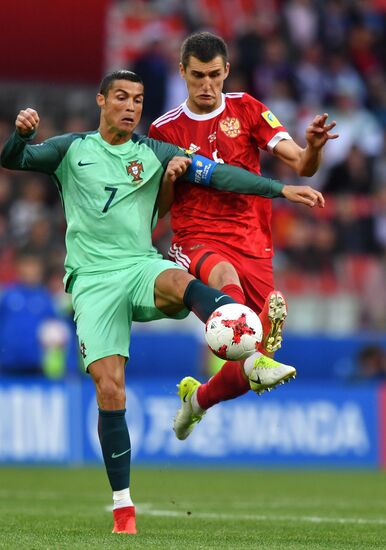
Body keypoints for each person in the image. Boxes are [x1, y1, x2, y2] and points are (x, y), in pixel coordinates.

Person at [0, 70, 324, 535]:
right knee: (111, 390)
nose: (132, 107)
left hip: (139, 265)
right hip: (92, 281)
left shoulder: (154, 153)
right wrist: (21, 135)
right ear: (101, 101)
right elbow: (14, 159)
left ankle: (246, 347)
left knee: (177, 277)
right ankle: (123, 511)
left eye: (139, 99)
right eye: (122, 98)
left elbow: (221, 174)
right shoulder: (72, 149)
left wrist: (279, 190)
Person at [148, 32, 338, 440]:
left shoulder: (248, 109)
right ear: (181, 72)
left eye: (214, 75)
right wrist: (169, 178)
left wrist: (314, 147)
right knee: (225, 283)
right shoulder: (164, 130)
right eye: (197, 76)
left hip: (253, 241)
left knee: (254, 366)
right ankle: (249, 356)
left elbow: (303, 166)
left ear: (227, 71)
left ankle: (197, 400)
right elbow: (157, 208)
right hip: (196, 238)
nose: (206, 85)